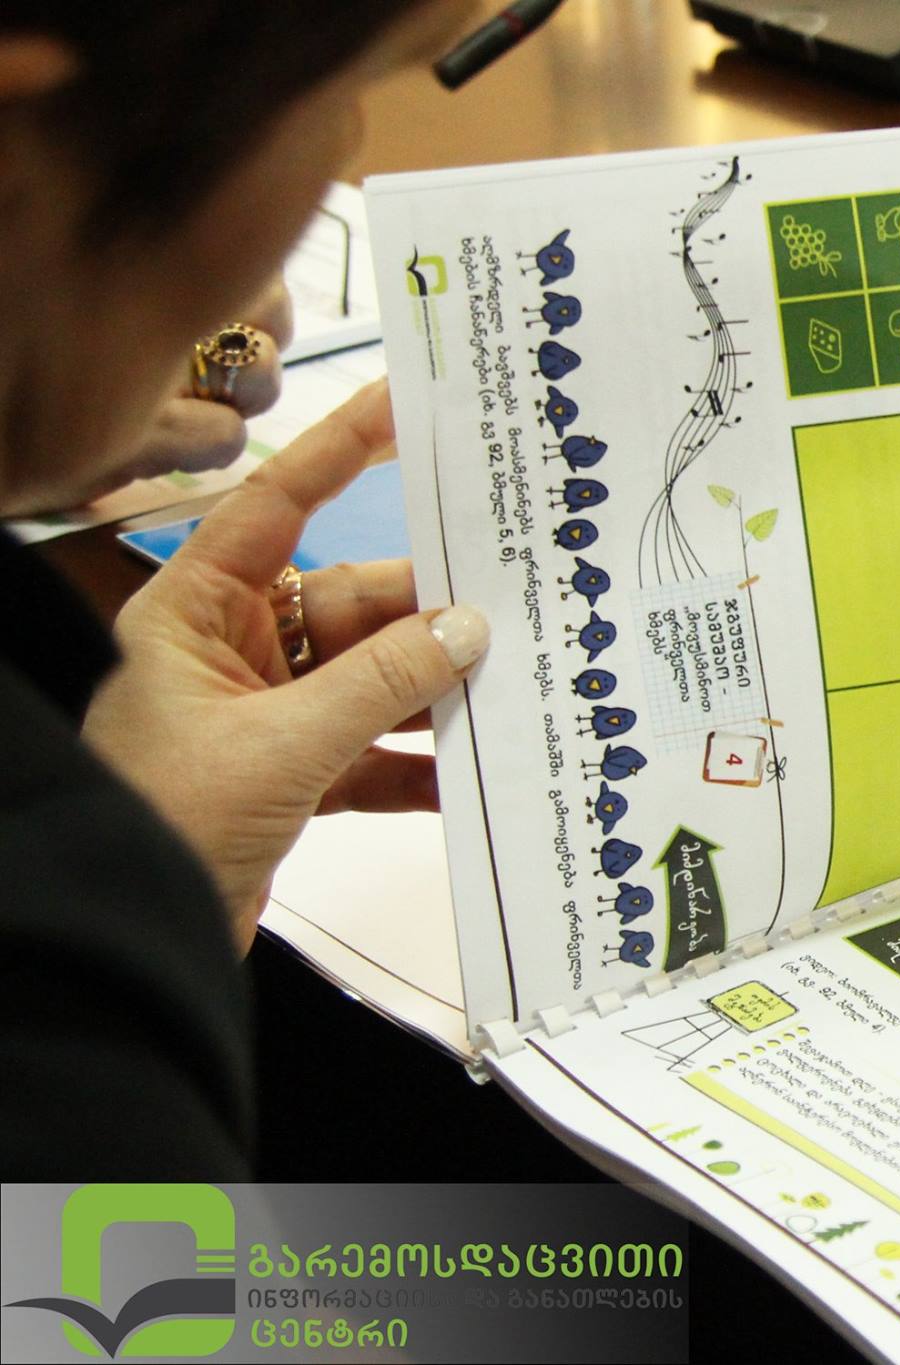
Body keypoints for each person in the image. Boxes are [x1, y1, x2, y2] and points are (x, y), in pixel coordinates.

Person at [0, 0, 489, 1179]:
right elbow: (115, 1278)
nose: (342, 159)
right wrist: (136, 905)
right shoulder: (50, 1001)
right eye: (337, 98)